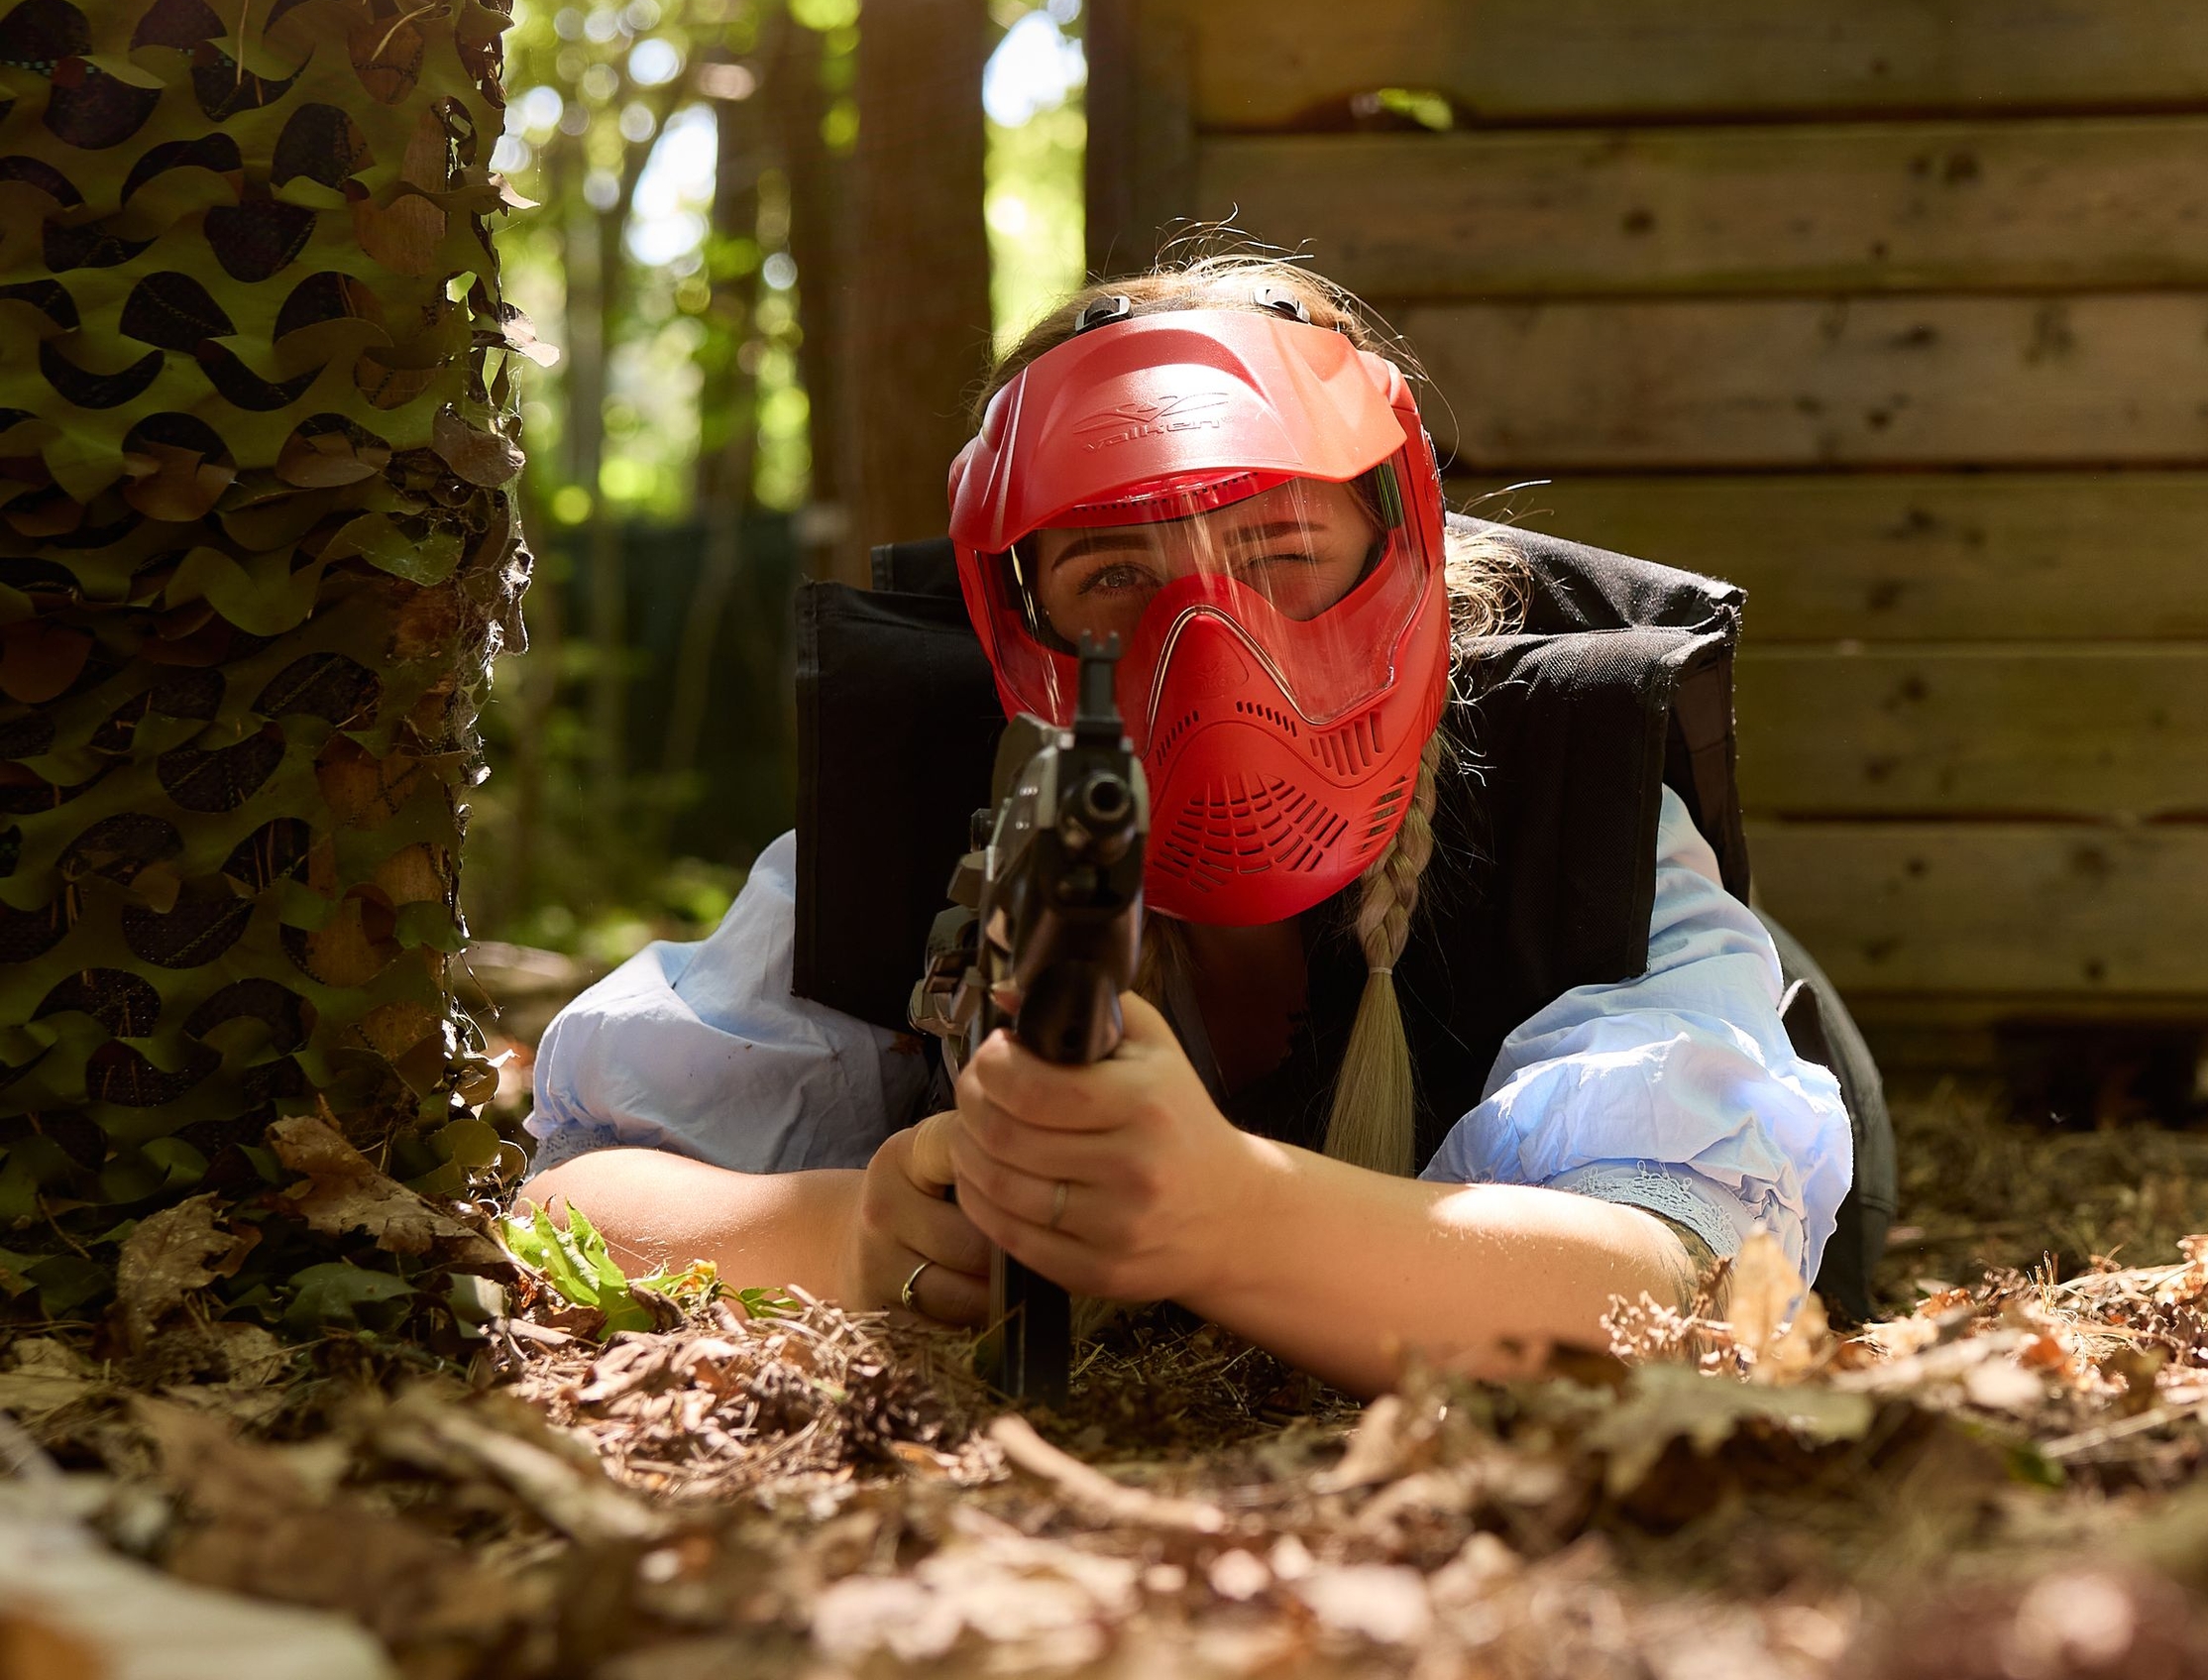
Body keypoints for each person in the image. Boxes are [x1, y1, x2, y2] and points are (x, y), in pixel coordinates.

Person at [521, 257, 1878, 1388]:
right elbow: (570, 1192)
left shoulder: (1570, 798)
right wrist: (866, 1233)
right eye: (1114, 575)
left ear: (1402, 552)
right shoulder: (929, 804)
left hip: (1743, 1022)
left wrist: (1227, 1219)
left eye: (1285, 550)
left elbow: (1691, 1279)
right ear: (1020, 622)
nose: (1211, 645)